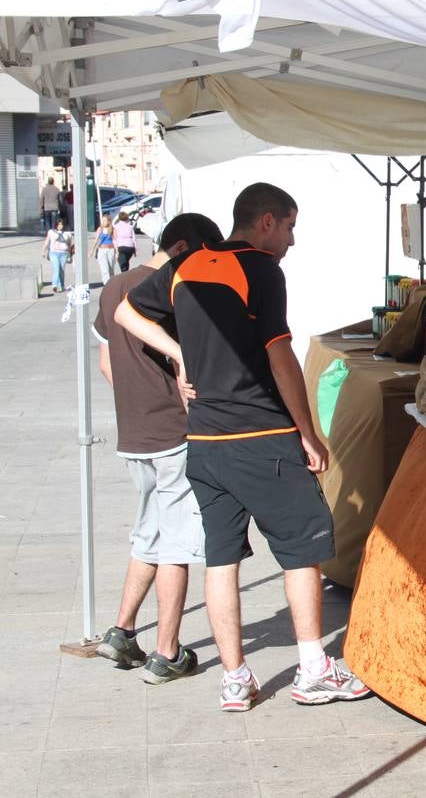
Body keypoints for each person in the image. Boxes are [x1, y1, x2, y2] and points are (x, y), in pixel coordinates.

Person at [116, 183, 370, 712]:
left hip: (204, 442)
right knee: (302, 552)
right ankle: (313, 669)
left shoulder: (187, 265)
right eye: (291, 227)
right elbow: (281, 356)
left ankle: (235, 679)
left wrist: (179, 353)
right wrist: (307, 432)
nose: (293, 241)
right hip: (261, 437)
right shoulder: (260, 269)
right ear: (267, 221)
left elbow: (124, 312)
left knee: (221, 560)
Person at [92, 213, 225, 684]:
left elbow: (107, 363)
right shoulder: (173, 289)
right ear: (185, 246)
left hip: (134, 431)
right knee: (177, 545)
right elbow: (194, 369)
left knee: (148, 531)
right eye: (205, 254)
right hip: (173, 431)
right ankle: (167, 652)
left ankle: (122, 632)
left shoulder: (113, 287)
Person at [42, 218, 75, 293]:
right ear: (56, 225)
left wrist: (70, 254)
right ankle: (54, 285)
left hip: (64, 253)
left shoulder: (68, 234)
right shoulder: (51, 232)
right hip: (54, 253)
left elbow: (69, 244)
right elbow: (47, 241)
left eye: (62, 224)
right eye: (59, 224)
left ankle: (62, 285)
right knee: (56, 268)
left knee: (61, 270)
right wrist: (43, 251)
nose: (60, 226)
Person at [91, 214, 117, 284]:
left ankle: (112, 283)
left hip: (110, 249)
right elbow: (96, 240)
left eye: (105, 220)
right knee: (104, 268)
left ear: (109, 221)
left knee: (111, 268)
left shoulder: (112, 229)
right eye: (102, 220)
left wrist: (117, 251)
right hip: (102, 249)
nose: (103, 222)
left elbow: (115, 240)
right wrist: (91, 251)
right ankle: (106, 284)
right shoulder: (100, 229)